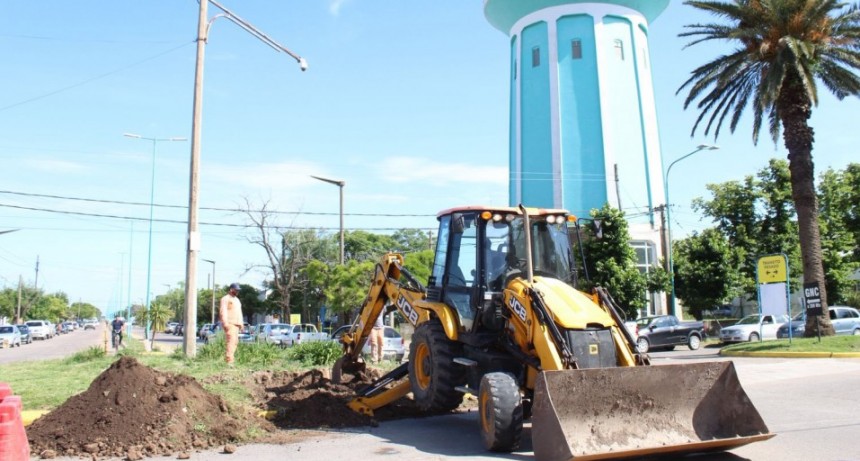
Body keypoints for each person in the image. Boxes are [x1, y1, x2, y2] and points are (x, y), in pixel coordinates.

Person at [219, 283, 244, 366]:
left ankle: (230, 359)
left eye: (238, 290)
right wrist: (225, 323)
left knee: (235, 342)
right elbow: (223, 311)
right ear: (231, 289)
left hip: (237, 324)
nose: (238, 291)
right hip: (230, 323)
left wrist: (241, 324)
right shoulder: (225, 299)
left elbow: (239, 312)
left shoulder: (237, 300)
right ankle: (229, 361)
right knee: (231, 341)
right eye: (236, 290)